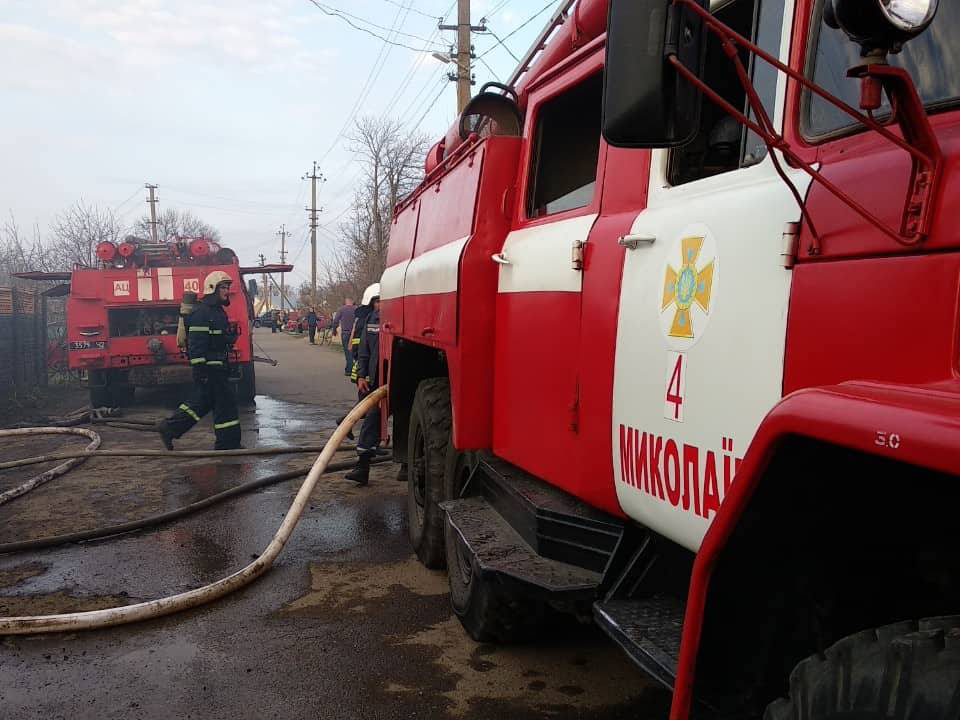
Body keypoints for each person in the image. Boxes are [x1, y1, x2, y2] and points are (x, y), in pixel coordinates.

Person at [156, 271, 242, 451]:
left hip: (218, 367)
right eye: (224, 288)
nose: (227, 291)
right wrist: (200, 369)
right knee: (225, 405)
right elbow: (196, 344)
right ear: (212, 289)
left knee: (201, 404)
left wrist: (228, 338)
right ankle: (227, 445)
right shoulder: (202, 313)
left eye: (228, 287)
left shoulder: (217, 312)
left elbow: (215, 339)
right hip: (210, 369)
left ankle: (170, 428)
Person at [345, 289, 381, 486]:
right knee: (371, 416)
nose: (379, 305)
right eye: (377, 302)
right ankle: (363, 466)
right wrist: (361, 375)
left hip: (395, 381)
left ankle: (406, 466)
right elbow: (363, 349)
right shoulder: (371, 320)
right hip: (374, 379)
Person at [330, 297, 356, 376]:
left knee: (348, 351)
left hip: (345, 333)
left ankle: (349, 370)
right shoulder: (357, 309)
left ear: (346, 301)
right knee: (355, 351)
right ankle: (356, 369)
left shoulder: (341, 309)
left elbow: (336, 321)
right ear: (352, 301)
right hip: (356, 333)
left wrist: (334, 330)